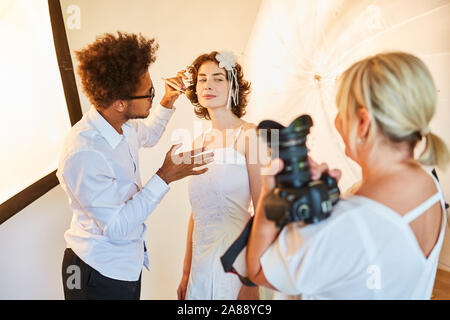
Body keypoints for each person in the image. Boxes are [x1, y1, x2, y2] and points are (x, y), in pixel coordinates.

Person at [247, 52, 449, 299]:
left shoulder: (348, 222)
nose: (337, 120)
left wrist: (272, 196)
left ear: (363, 122)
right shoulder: (428, 181)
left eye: (342, 111)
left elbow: (258, 270)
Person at [57, 32, 213, 300]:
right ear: (119, 103)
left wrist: (166, 101)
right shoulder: (83, 153)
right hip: (96, 273)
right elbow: (117, 227)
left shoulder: (120, 124)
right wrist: (164, 177)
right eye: (148, 93)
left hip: (125, 265)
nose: (152, 96)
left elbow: (149, 135)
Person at [176, 51, 265, 300]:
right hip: (200, 266)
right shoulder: (198, 142)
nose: (208, 85)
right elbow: (196, 213)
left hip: (236, 261)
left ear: (233, 85)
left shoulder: (251, 135)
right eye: (202, 79)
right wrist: (185, 273)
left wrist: (251, 281)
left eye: (218, 78)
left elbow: (262, 212)